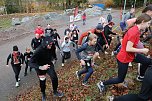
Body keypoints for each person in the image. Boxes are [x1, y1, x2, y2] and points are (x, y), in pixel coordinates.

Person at [97, 14, 152, 94]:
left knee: (148, 61)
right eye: (148, 23)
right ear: (143, 22)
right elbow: (128, 48)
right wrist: (142, 50)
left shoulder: (136, 29)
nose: (148, 25)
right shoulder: (134, 32)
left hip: (132, 55)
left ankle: (141, 76)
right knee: (120, 79)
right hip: (124, 58)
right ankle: (102, 84)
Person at [29, 36, 63, 101]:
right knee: (42, 81)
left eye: (52, 44)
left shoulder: (52, 46)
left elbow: (53, 53)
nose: (51, 45)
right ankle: (43, 93)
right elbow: (30, 63)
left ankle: (55, 91)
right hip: (40, 67)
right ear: (45, 44)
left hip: (48, 64)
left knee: (54, 77)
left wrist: (54, 59)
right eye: (49, 44)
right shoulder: (38, 50)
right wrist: (40, 67)